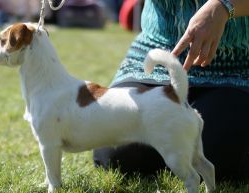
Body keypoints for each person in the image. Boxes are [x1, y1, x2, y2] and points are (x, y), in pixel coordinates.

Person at [93, 0, 249, 182]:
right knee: (117, 153)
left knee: (218, 152)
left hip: (238, 66)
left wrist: (224, 6)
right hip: (156, 56)